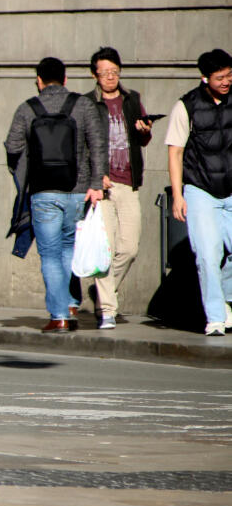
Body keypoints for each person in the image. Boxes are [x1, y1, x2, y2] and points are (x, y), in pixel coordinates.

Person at [4, 57, 105, 332]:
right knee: (68, 249)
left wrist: (26, 174)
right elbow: (98, 146)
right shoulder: (82, 105)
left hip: (43, 192)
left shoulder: (27, 109)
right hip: (78, 191)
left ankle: (60, 315)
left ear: (39, 80)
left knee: (49, 254)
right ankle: (71, 304)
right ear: (65, 78)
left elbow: (12, 147)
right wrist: (95, 183)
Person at [164, 48, 232, 336]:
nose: (227, 81)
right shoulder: (187, 106)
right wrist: (178, 196)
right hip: (201, 189)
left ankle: (226, 299)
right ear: (205, 78)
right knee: (207, 254)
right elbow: (175, 152)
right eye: (220, 77)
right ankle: (216, 317)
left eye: (230, 75)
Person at [84, 47, 153, 329]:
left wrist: (145, 131)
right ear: (95, 75)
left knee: (130, 248)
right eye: (105, 72)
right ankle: (108, 310)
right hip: (102, 186)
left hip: (128, 182)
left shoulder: (132, 99)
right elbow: (82, 144)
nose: (111, 77)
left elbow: (143, 139)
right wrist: (94, 176)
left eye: (115, 71)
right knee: (106, 249)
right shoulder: (88, 103)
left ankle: (103, 292)